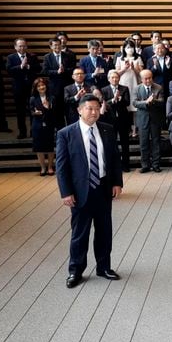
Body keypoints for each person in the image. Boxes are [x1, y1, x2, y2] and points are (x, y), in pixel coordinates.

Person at [55, 94, 123, 288]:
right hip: (79, 192)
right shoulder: (66, 134)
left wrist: (117, 182)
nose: (94, 112)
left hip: (102, 188)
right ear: (79, 110)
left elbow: (114, 159)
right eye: (89, 108)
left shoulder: (107, 130)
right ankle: (75, 271)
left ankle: (104, 267)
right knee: (80, 233)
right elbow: (62, 167)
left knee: (104, 231)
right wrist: (66, 192)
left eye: (97, 108)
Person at [6, 37, 41, 139]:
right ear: (15, 47)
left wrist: (29, 66)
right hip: (18, 88)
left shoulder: (32, 56)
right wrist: (21, 66)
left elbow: (39, 68)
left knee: (33, 110)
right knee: (20, 111)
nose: (22, 48)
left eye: (24, 45)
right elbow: (9, 70)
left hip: (31, 88)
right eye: (20, 46)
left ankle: (33, 131)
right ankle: (22, 132)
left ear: (26, 46)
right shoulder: (11, 57)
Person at [134, 69, 165, 173]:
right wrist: (146, 102)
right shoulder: (137, 88)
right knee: (143, 143)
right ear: (141, 79)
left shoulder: (158, 87)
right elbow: (135, 103)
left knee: (156, 142)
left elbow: (162, 102)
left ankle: (156, 164)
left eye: (150, 78)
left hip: (155, 119)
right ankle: (145, 165)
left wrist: (154, 101)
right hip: (142, 119)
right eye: (146, 79)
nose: (148, 80)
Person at [101, 70, 132, 172]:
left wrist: (119, 99)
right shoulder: (104, 89)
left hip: (123, 119)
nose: (115, 79)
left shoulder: (124, 88)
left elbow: (127, 102)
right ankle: (113, 165)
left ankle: (126, 165)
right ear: (109, 79)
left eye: (116, 77)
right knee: (112, 143)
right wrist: (113, 100)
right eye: (112, 77)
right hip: (110, 120)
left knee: (125, 143)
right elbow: (104, 103)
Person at [115, 39, 144, 137]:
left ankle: (135, 130)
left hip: (135, 84)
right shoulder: (120, 59)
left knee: (135, 108)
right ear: (124, 49)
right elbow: (116, 74)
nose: (130, 49)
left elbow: (141, 74)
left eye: (131, 47)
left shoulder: (138, 58)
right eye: (128, 47)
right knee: (124, 108)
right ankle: (126, 129)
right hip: (123, 85)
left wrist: (133, 68)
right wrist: (124, 68)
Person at [29, 77, 57, 175]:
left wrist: (47, 108)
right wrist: (34, 113)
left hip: (49, 125)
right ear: (36, 88)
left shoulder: (52, 98)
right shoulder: (33, 98)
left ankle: (50, 167)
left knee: (49, 147)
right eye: (39, 86)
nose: (41, 87)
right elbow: (31, 111)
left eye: (43, 85)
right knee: (39, 147)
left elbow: (55, 112)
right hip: (37, 125)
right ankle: (43, 168)